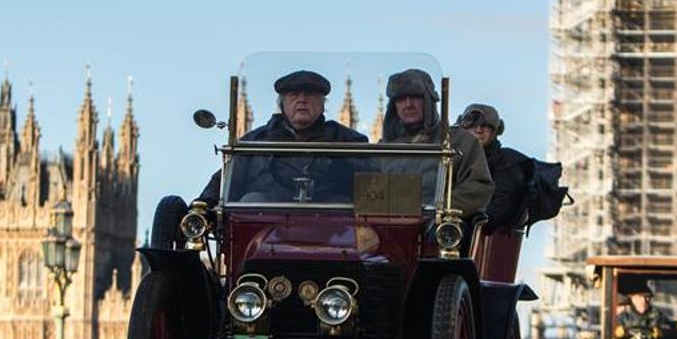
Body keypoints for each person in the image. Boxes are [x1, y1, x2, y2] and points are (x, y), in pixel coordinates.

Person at [198, 70, 367, 204]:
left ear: (323, 104)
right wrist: (203, 206)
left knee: (341, 204)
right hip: (263, 231)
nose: (302, 100)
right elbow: (225, 183)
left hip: (332, 234)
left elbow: (372, 184)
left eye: (310, 95)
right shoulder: (254, 142)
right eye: (294, 95)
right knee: (253, 201)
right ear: (282, 103)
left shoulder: (348, 140)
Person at [379, 69, 493, 218]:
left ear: (429, 100)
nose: (408, 104)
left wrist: (437, 208)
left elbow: (479, 187)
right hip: (388, 228)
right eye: (400, 99)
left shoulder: (459, 141)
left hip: (436, 230)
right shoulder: (383, 148)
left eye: (415, 97)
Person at [455, 103, 530, 232]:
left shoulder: (507, 161)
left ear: (495, 131)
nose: (478, 130)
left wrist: (482, 219)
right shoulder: (451, 158)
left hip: (484, 233)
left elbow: (504, 201)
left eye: (485, 126)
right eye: (472, 125)